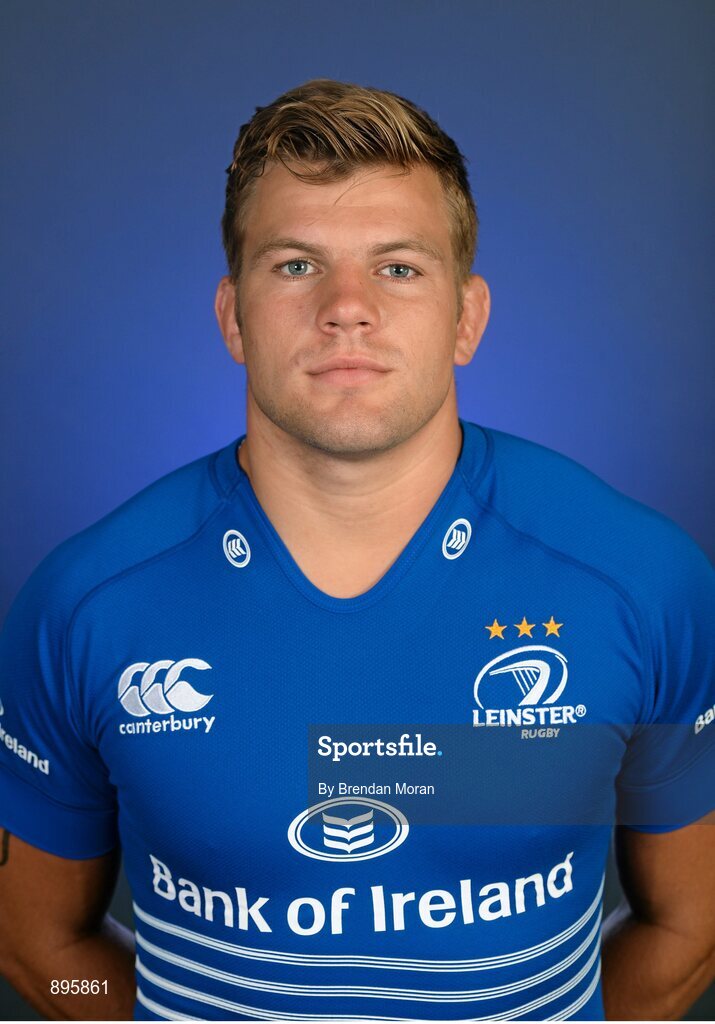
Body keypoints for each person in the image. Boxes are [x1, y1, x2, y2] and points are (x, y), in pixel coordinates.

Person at [0, 77, 713, 1023]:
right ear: (231, 315)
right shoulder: (85, 607)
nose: (347, 307)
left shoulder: (641, 583)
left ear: (467, 317)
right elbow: (40, 947)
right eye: (295, 265)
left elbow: (691, 926)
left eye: (399, 267)